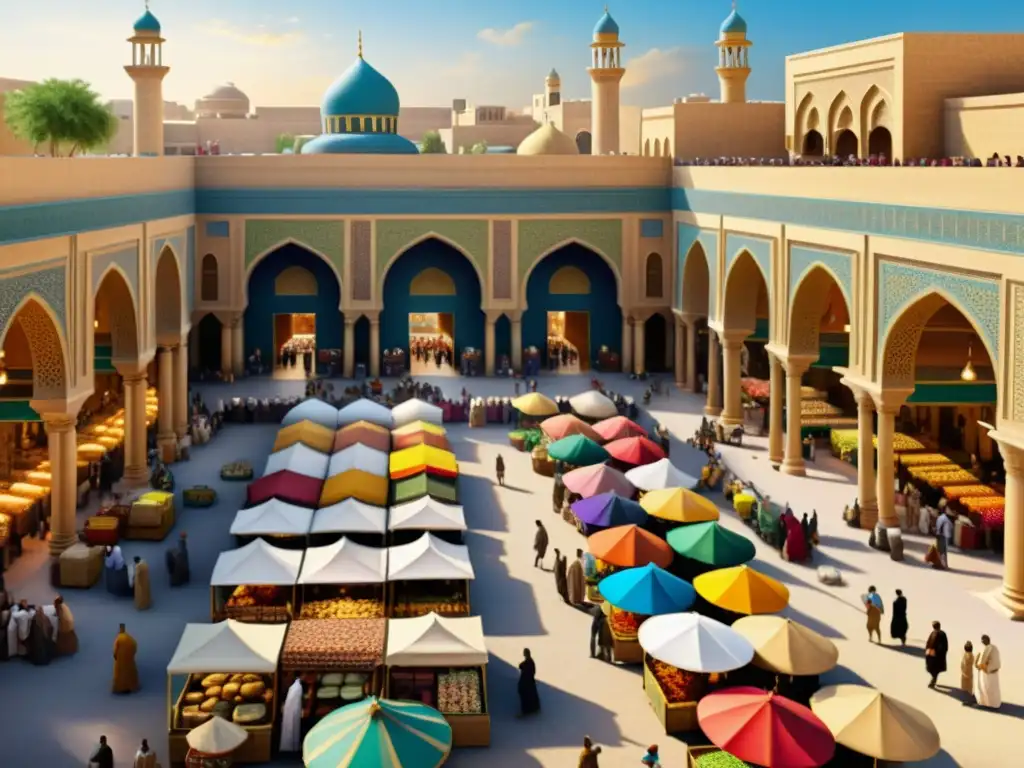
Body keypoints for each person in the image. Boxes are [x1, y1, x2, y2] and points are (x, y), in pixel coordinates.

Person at [112, 623, 140, 694]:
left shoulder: (118, 638)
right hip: (128, 658)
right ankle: (131, 686)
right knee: (129, 671)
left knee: (120, 673)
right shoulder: (129, 638)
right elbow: (134, 645)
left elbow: (115, 649)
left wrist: (115, 656)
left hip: (120, 658)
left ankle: (120, 688)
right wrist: (131, 655)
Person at [975, 635, 1001, 709]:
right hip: (993, 671)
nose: (982, 642)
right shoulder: (994, 647)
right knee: (992, 689)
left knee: (986, 688)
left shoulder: (988, 648)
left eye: (983, 640)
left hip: (988, 672)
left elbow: (983, 661)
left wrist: (978, 666)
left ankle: (986, 704)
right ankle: (993, 704)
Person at [280, 677, 303, 751]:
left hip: (292, 709)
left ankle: (290, 745)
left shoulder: (296, 686)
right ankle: (290, 746)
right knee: (292, 726)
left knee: (292, 726)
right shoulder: (297, 687)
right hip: (292, 710)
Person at [925, 620, 949, 688]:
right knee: (930, 668)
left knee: (935, 669)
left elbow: (944, 646)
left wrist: (938, 653)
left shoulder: (942, 634)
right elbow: (929, 642)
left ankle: (933, 681)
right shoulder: (933, 632)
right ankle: (933, 679)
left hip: (937, 656)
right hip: (931, 654)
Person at [517, 648, 540, 716]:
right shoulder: (529, 661)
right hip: (528, 681)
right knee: (529, 695)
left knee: (527, 695)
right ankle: (532, 709)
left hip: (527, 681)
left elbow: (530, 670)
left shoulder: (529, 662)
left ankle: (528, 710)